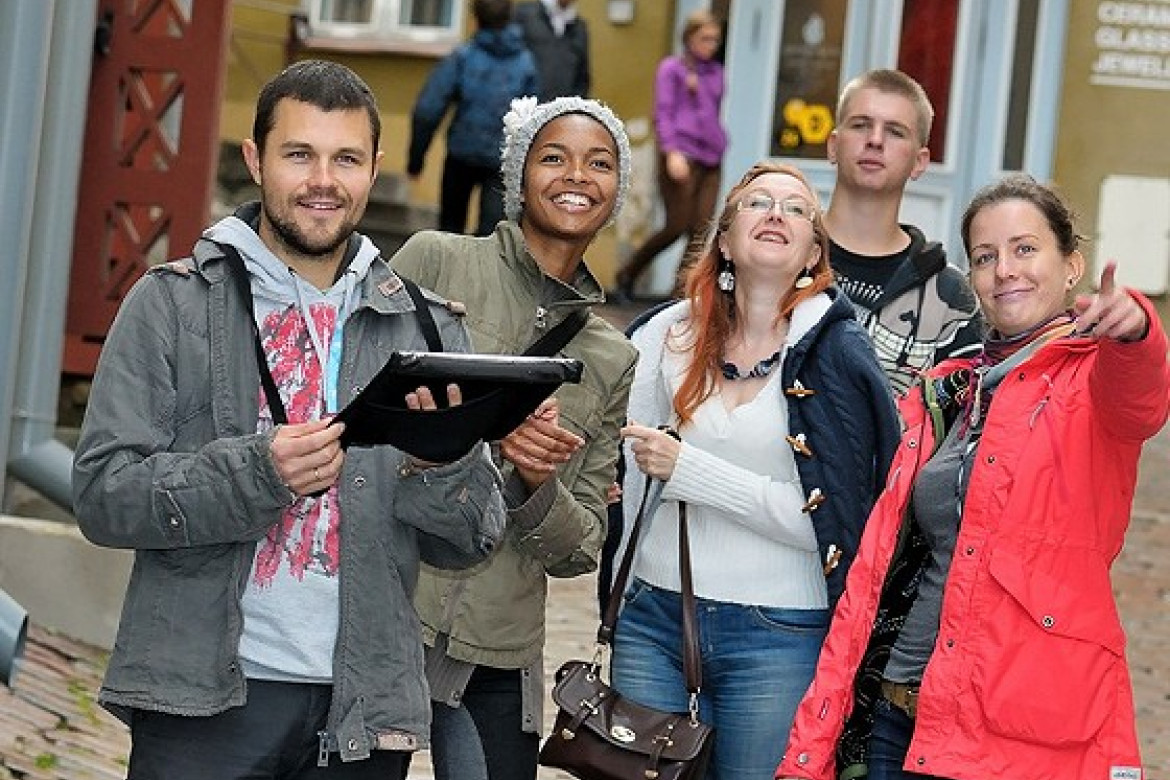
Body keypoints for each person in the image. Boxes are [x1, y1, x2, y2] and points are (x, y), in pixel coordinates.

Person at [71, 60, 505, 780]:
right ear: (256, 159)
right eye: (299, 154)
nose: (323, 181)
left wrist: (441, 467)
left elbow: (471, 543)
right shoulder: (171, 306)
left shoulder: (426, 328)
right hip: (202, 699)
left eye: (346, 159)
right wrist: (256, 471)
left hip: (363, 710)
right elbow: (103, 496)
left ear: (374, 169)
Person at [777, 174, 1170, 780]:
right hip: (896, 708)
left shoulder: (1092, 378)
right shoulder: (949, 392)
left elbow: (1140, 397)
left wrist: (1136, 330)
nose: (1005, 269)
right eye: (985, 257)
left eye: (1025, 249)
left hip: (1016, 726)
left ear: (1072, 267)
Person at [610, 161, 901, 780]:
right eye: (758, 202)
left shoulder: (837, 355)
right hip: (654, 619)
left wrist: (691, 473)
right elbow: (617, 475)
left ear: (814, 252)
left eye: (796, 209)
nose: (776, 213)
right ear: (723, 238)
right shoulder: (664, 337)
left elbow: (845, 525)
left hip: (779, 635)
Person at [391, 95, 638, 780]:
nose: (577, 176)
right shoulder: (435, 262)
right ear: (517, 172)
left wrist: (537, 482)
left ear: (617, 190)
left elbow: (580, 549)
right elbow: (350, 412)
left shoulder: (611, 357)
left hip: (499, 647)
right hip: (390, 610)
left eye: (600, 163)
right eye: (553, 156)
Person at [825, 69, 982, 396]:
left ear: (919, 162)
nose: (875, 140)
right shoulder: (778, 254)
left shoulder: (950, 296)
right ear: (833, 146)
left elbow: (955, 426)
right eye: (860, 125)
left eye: (895, 132)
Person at [613, 10, 727, 301]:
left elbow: (709, 111)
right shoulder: (671, 69)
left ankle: (680, 295)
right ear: (689, 38)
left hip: (711, 157)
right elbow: (662, 114)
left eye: (715, 39)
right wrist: (671, 151)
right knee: (676, 225)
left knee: (701, 231)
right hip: (680, 154)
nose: (711, 45)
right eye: (705, 38)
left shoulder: (716, 74)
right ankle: (628, 273)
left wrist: (698, 88)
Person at [408, 0, 538, 236]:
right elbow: (532, 119)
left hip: (461, 154)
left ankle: (449, 274)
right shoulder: (525, 63)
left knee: (450, 232)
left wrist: (416, 160)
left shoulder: (463, 57)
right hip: (501, 161)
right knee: (491, 238)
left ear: (475, 19)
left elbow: (427, 110)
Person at [513, 0, 590, 101]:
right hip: (526, 108)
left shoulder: (580, 27)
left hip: (562, 110)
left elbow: (582, 77)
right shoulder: (524, 14)